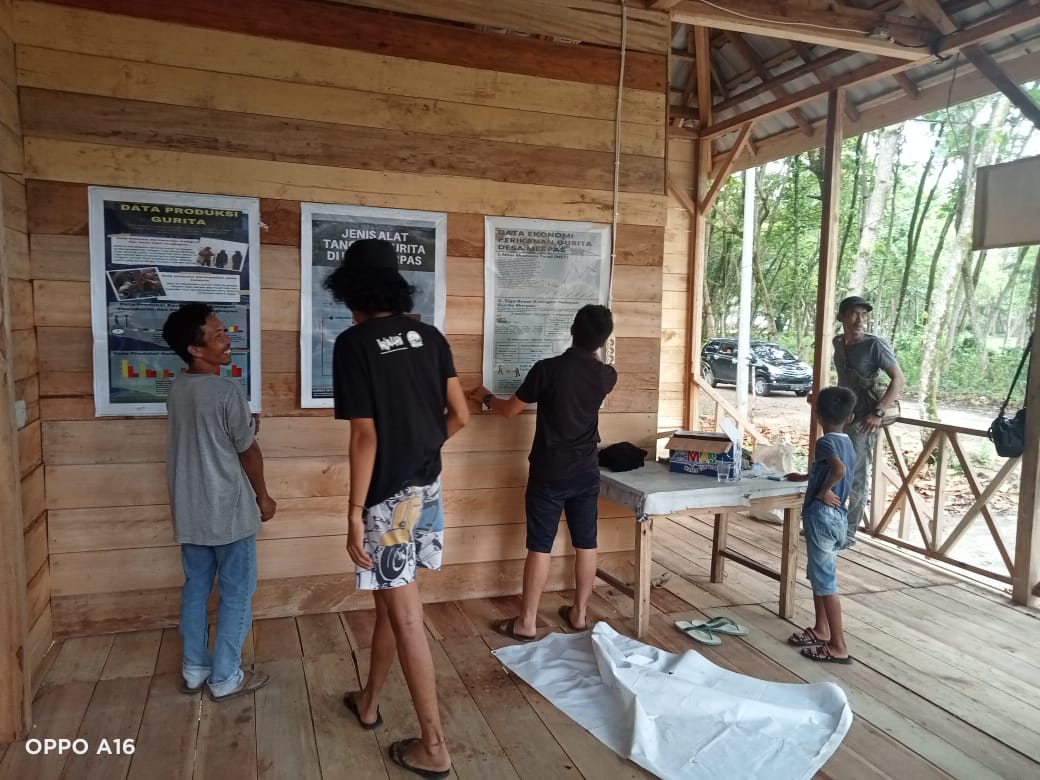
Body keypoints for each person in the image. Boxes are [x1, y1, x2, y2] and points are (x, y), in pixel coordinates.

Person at [327, 238, 468, 779]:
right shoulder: (429, 337)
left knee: (406, 615)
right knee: (392, 601)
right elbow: (460, 415)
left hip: (388, 503)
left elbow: (365, 437)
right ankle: (369, 701)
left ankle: (434, 745)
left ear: (350, 292)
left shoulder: (354, 343)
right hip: (426, 492)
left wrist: (353, 511)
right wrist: (423, 450)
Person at [467, 304, 617, 641]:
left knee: (540, 546)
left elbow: (507, 411)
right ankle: (579, 615)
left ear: (572, 330)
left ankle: (527, 623)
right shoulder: (606, 376)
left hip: (549, 472)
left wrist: (485, 397)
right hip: (586, 470)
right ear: (603, 340)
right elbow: (595, 372)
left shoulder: (547, 370)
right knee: (586, 544)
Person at [162, 302, 276, 701]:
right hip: (228, 510)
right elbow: (248, 452)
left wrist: (243, 424)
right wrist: (263, 496)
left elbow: (207, 435)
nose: (227, 340)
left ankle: (195, 668)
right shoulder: (227, 390)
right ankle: (226, 677)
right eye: (217, 334)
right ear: (195, 349)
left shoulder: (177, 388)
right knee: (236, 592)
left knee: (195, 588)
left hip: (190, 511)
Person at [785, 386, 857, 664]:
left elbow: (837, 470)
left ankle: (839, 646)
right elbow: (834, 466)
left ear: (817, 415)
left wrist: (823, 490)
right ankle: (821, 629)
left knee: (826, 581)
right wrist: (806, 476)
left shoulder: (824, 443)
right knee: (818, 574)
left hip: (822, 516)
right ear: (849, 417)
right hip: (837, 518)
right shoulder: (847, 442)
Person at [832, 295, 904, 547]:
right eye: (853, 314)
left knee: (858, 477)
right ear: (841, 317)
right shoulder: (838, 343)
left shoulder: (875, 345)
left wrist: (879, 412)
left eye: (863, 314)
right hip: (842, 418)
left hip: (865, 421)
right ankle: (831, 527)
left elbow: (898, 380)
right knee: (835, 472)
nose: (859, 319)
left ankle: (849, 533)